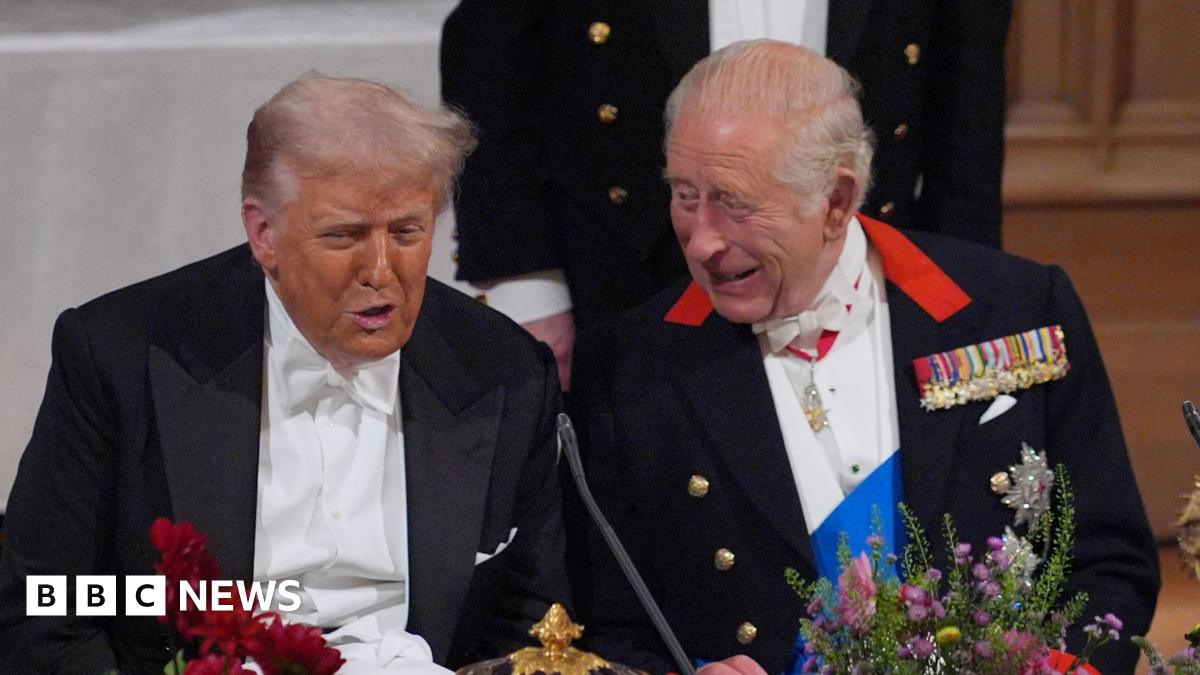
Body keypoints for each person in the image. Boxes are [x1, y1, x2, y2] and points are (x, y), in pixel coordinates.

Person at [566, 41, 1158, 675]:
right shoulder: (629, 366)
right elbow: (605, 625)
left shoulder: (1017, 308)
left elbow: (1109, 560)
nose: (703, 240)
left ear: (838, 200)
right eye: (686, 195)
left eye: (734, 202)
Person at [0, 75, 569, 674]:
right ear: (263, 232)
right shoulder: (120, 355)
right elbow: (45, 602)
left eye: (406, 231)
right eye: (343, 235)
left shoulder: (503, 369)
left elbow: (531, 623)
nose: (381, 271)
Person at [440, 1, 1011, 389]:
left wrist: (952, 295)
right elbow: (491, 52)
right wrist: (528, 290)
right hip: (625, 281)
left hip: (864, 273)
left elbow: (969, 92)